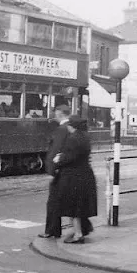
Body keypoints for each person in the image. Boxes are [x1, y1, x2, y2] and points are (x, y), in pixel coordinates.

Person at [52, 115, 97, 244]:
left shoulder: (73, 138)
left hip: (73, 177)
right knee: (78, 206)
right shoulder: (85, 137)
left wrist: (59, 159)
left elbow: (70, 157)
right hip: (85, 175)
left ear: (72, 126)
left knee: (73, 207)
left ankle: (78, 234)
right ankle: (81, 230)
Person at [38, 104, 71, 239]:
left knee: (53, 202)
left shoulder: (62, 129)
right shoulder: (72, 128)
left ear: (59, 113)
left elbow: (55, 151)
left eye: (55, 113)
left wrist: (51, 171)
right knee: (71, 202)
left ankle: (52, 230)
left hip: (60, 171)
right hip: (69, 170)